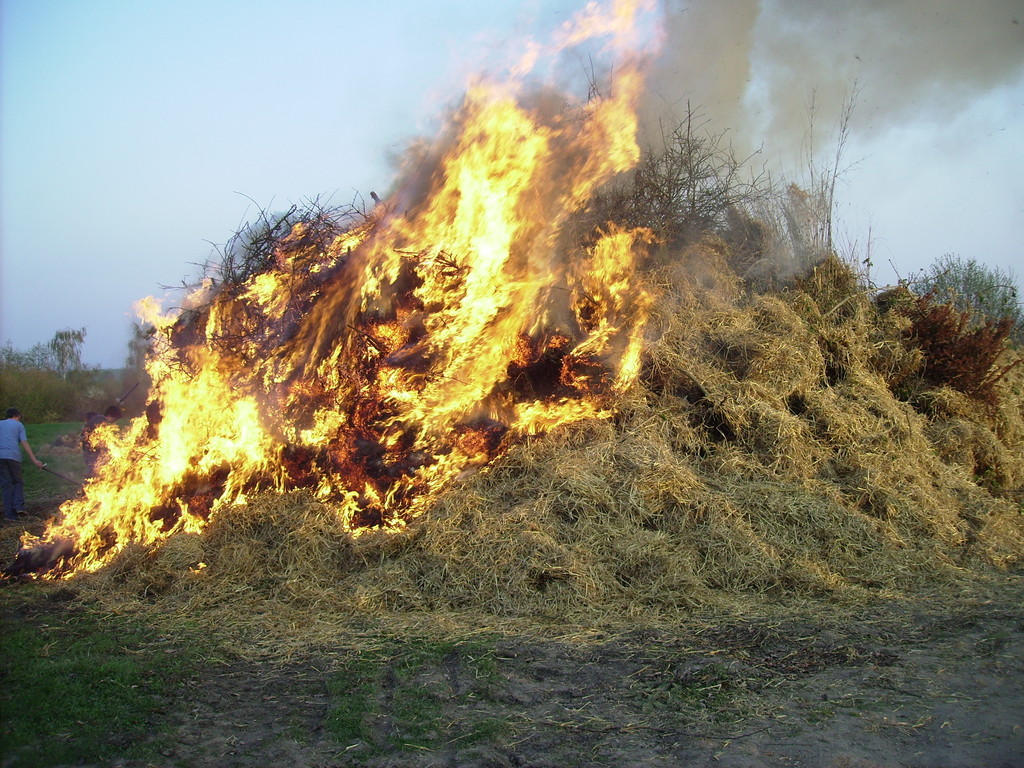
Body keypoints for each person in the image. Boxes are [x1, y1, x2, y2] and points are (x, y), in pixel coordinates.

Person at [0, 408, 44, 521]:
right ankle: (19, 507)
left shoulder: (0, 424)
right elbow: (24, 443)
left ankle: (9, 515)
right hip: (13, 456)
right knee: (18, 482)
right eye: (19, 417)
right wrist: (35, 460)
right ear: (17, 416)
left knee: (6, 485)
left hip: (0, 457)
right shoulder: (19, 425)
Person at [81, 405, 122, 475]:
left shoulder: (98, 418)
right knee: (93, 470)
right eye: (114, 419)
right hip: (91, 450)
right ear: (110, 416)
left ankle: (92, 481)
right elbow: (100, 437)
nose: (114, 422)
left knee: (96, 468)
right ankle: (89, 484)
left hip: (90, 449)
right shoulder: (101, 421)